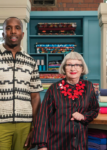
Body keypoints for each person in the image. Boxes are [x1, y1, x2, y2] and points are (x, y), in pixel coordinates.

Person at [32, 52, 99, 150]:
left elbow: (95, 110)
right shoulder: (53, 89)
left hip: (79, 143)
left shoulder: (88, 87)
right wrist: (42, 146)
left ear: (82, 68)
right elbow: (43, 117)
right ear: (64, 68)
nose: (73, 68)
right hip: (56, 143)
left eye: (77, 65)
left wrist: (84, 116)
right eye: (69, 65)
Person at [0, 17, 43, 150]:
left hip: (25, 124)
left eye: (17, 28)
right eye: (8, 28)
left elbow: (35, 97)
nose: (13, 32)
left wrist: (34, 127)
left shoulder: (30, 61)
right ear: (3, 34)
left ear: (22, 34)